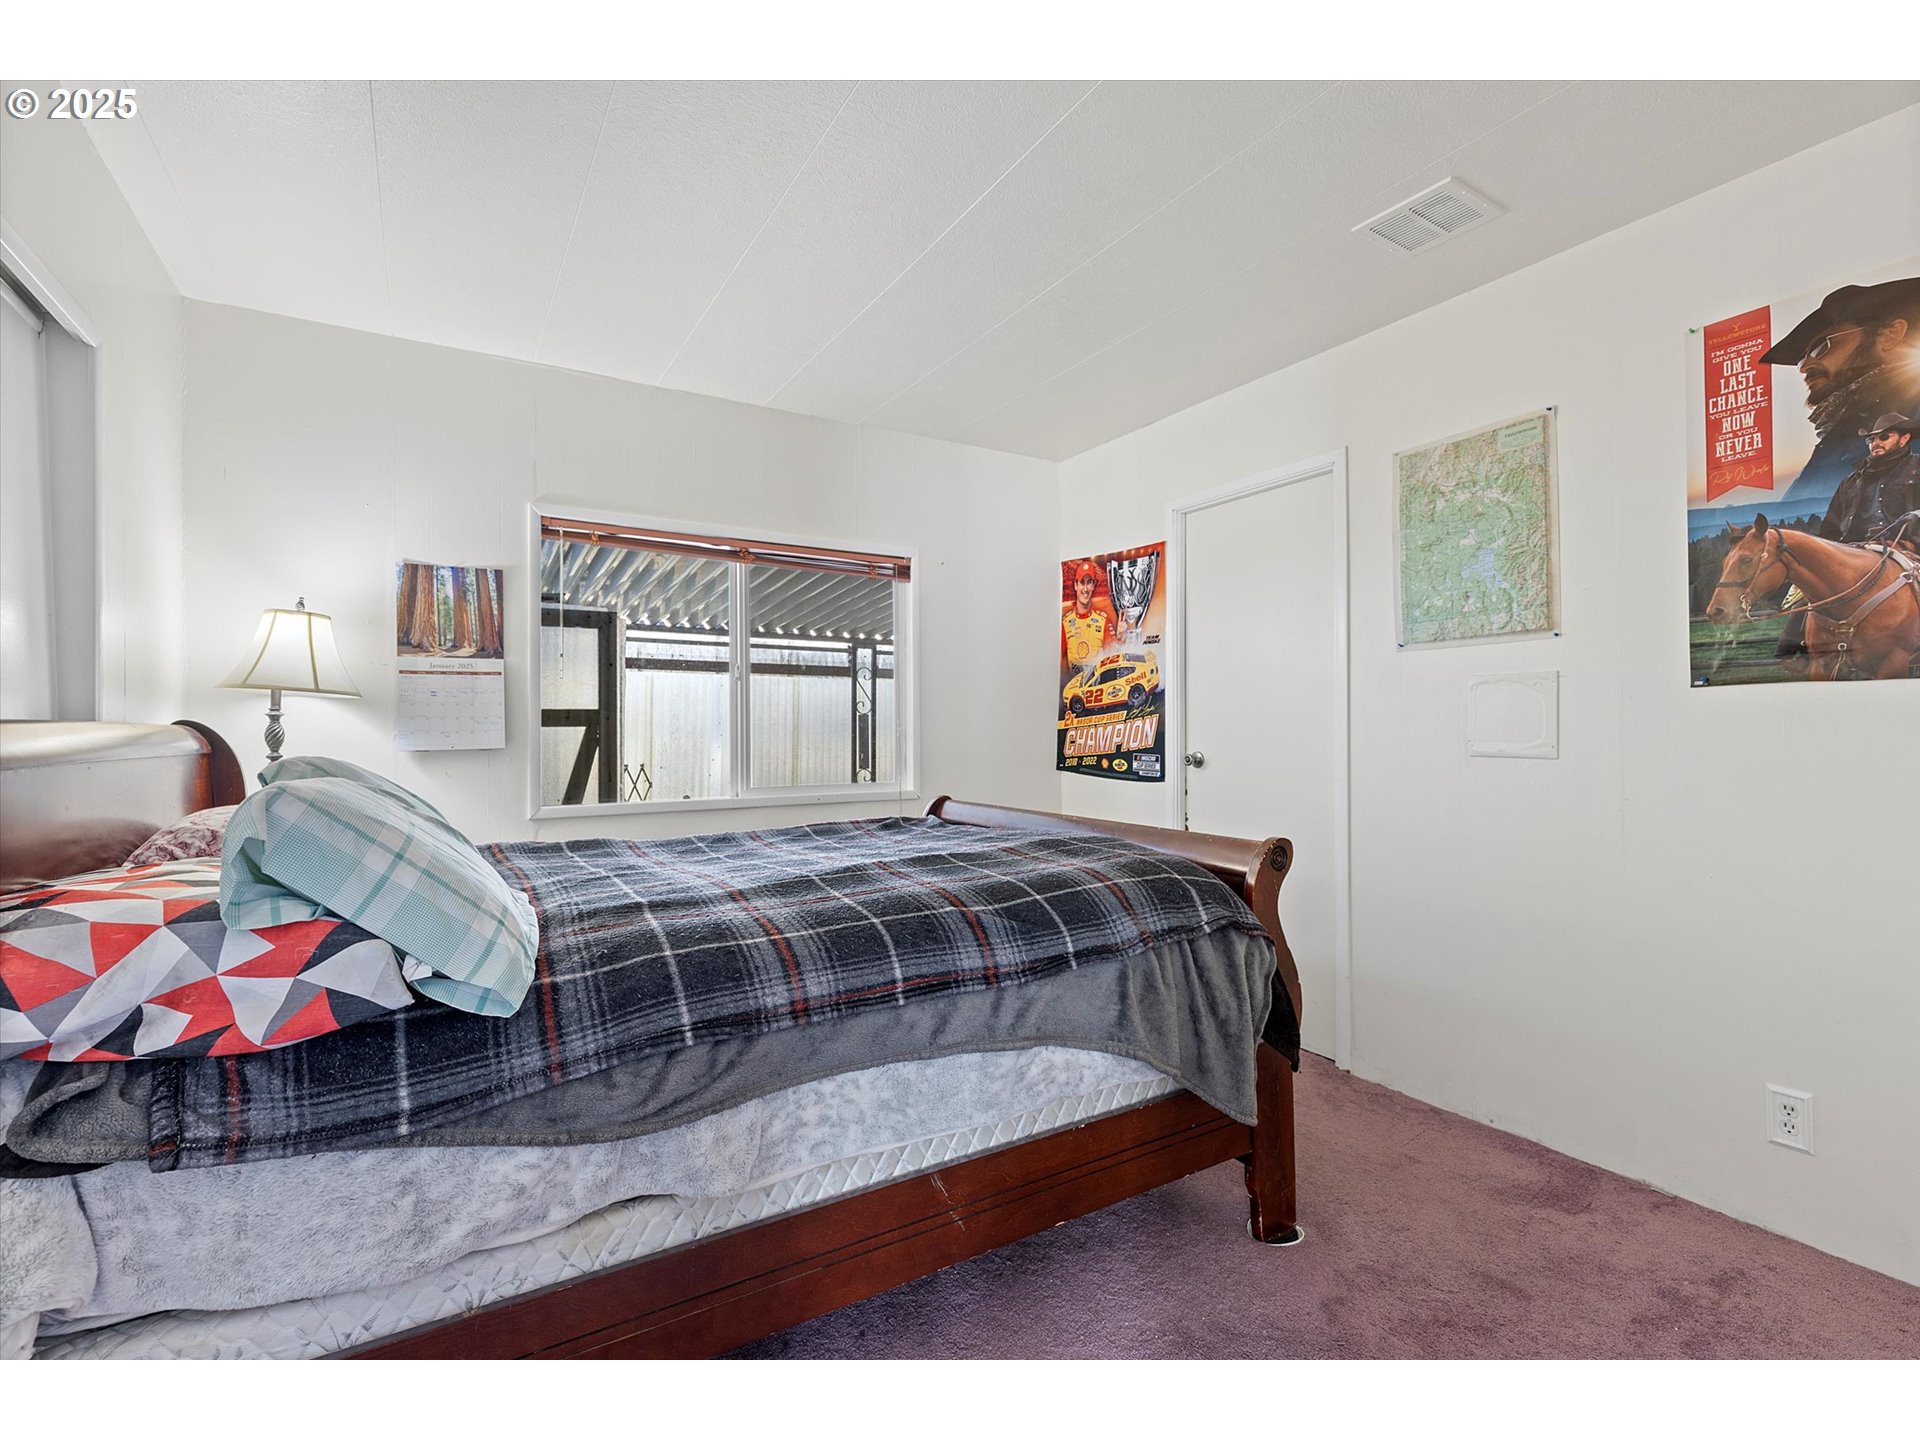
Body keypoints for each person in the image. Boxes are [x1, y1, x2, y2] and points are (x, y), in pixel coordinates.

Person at [1760, 277, 1920, 514]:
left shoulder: (1910, 414)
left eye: (1821, 347)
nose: (1805, 367)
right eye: (1803, 359)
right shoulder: (1842, 428)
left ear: (1889, 336)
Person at [1775, 411, 1920, 669]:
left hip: (1906, 544)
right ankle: (1793, 649)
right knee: (1807, 582)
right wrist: (1821, 554)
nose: (1876, 443)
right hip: (1854, 549)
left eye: (1883, 437)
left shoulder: (1917, 469)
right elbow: (1831, 525)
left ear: (1904, 438)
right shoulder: (1851, 481)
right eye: (1871, 440)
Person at [1061, 561, 1118, 676]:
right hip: (1074, 688)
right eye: (1082, 582)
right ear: (1075, 585)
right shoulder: (1065, 623)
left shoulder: (1103, 621)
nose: (1085, 589)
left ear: (1093, 586)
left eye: (1089, 582)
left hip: (1096, 687)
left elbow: (1113, 656)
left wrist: (1121, 636)